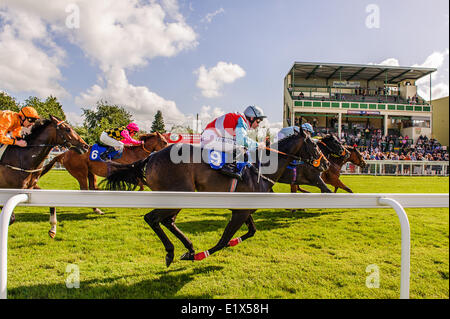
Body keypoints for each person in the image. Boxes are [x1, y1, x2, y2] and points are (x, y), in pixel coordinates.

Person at [201, 105, 267, 180]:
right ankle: (228, 167)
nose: (258, 125)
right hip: (210, 138)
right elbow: (242, 140)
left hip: (210, 137)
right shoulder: (241, 120)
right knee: (239, 145)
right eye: (258, 121)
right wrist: (258, 145)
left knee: (241, 147)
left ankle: (229, 164)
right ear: (251, 118)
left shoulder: (240, 119)